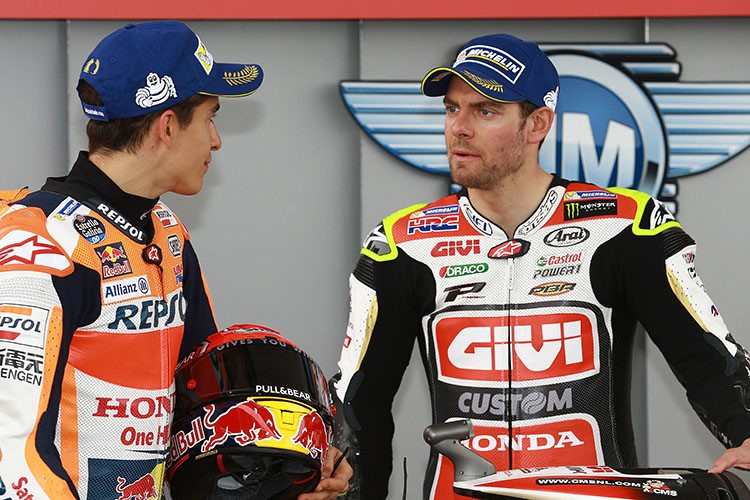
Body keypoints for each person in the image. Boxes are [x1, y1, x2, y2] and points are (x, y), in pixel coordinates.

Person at [332, 33, 750, 499]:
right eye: (452, 109)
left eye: (485, 111)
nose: (459, 128)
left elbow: (707, 357)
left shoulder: (625, 227)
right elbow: (360, 402)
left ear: (537, 124)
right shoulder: (402, 243)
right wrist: (345, 485)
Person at [0, 20, 349, 500]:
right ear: (167, 126)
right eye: (210, 118)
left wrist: (303, 456)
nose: (216, 140)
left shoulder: (167, 232)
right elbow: (11, 449)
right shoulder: (41, 245)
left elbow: (203, 400)